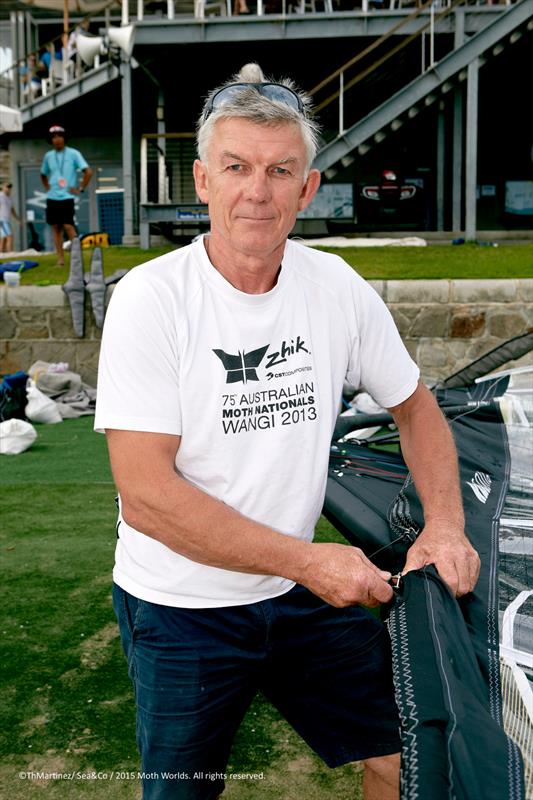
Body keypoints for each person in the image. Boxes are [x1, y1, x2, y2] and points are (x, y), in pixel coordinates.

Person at [94, 62, 480, 800]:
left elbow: (416, 407)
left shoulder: (333, 286)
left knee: (409, 755)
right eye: (236, 167)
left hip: (294, 589)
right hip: (181, 606)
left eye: (279, 171)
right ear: (202, 181)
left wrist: (444, 525)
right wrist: (310, 563)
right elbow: (145, 495)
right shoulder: (152, 299)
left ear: (307, 189)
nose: (256, 191)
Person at [40, 125, 92, 266]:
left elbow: (88, 171)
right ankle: (61, 259)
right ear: (51, 140)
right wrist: (46, 186)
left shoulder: (74, 153)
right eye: (54, 137)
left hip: (67, 197)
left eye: (59, 136)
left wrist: (80, 188)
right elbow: (43, 174)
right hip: (52, 197)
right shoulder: (48, 156)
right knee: (56, 227)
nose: (57, 140)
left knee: (68, 225)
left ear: (64, 138)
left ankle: (77, 258)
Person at [0, 183, 20, 253]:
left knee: (3, 238)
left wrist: (18, 219)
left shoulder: (9, 198)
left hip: (6, 220)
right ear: (2, 187)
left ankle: (2, 254)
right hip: (2, 220)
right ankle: (10, 254)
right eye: (7, 187)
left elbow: (12, 210)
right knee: (9, 236)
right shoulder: (1, 196)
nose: (9, 188)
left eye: (10, 187)